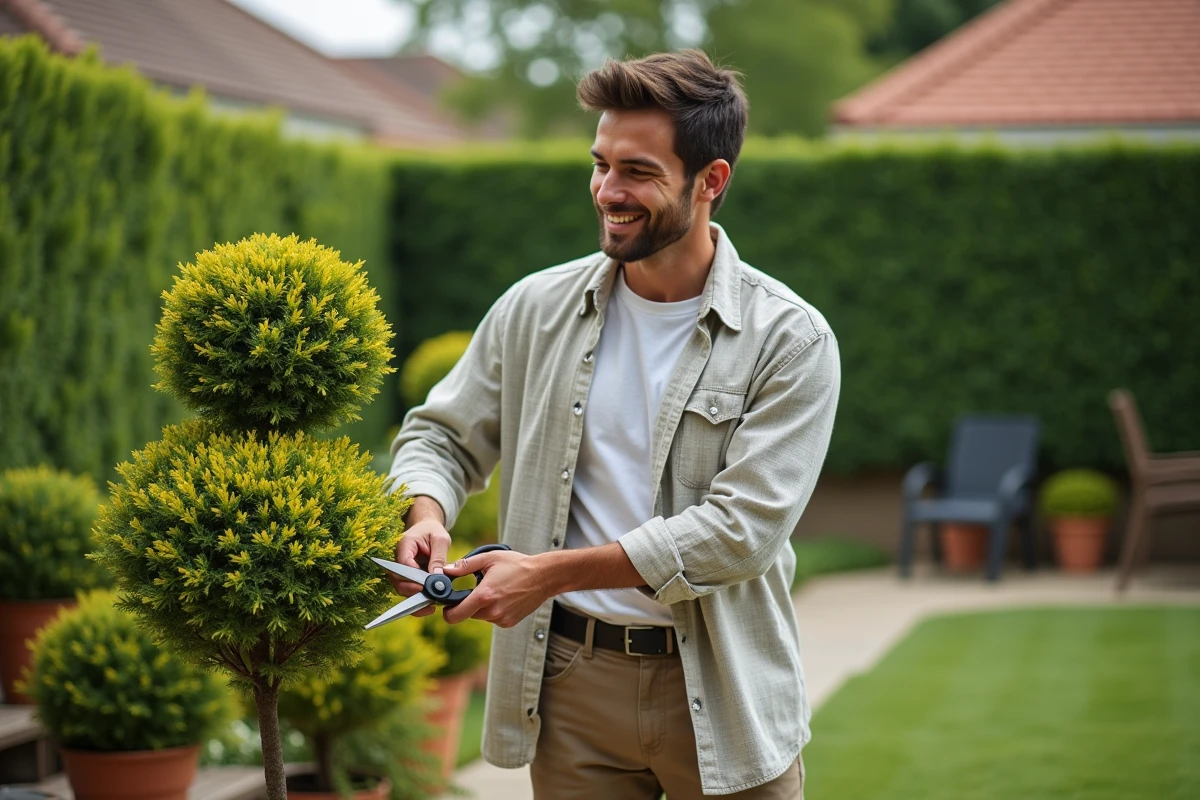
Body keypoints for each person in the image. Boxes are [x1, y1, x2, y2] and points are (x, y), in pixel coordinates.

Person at [387, 49, 839, 799]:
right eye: (600, 164)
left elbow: (740, 532)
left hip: (724, 688)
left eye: (637, 171)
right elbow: (440, 434)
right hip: (571, 689)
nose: (607, 191)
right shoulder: (534, 309)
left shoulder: (790, 340)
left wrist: (545, 574)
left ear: (711, 181)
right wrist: (427, 509)